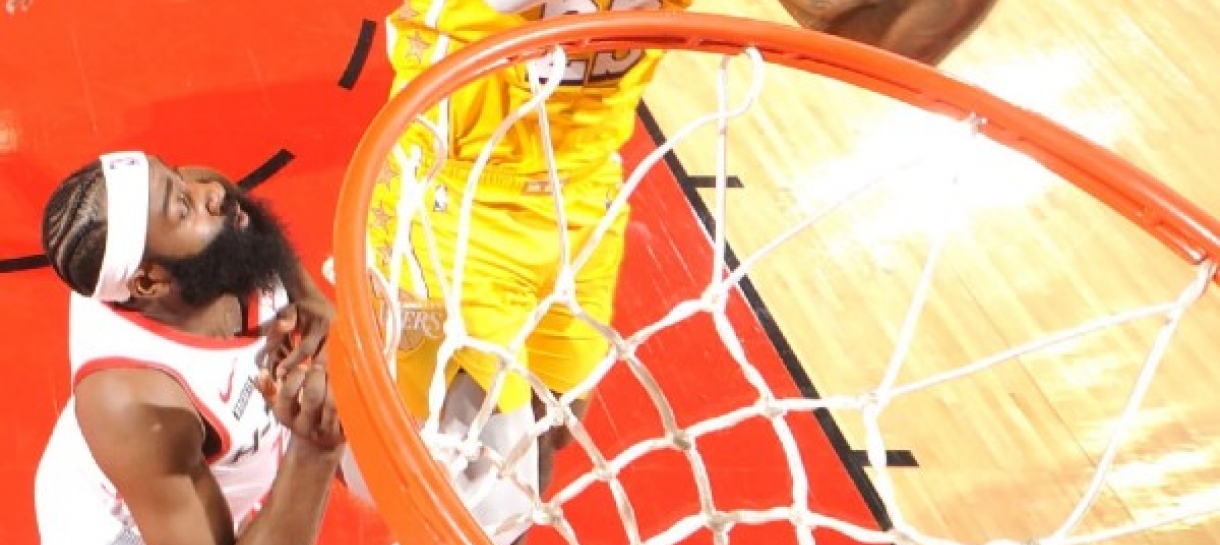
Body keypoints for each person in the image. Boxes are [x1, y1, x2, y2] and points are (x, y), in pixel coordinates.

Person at [353, 0, 1003, 542]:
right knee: (468, 485)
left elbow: (875, 41)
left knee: (548, 430)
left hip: (581, 191)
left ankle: (348, 422)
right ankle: (336, 434)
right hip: (452, 193)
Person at [35, 151, 343, 545]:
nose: (210, 191)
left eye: (178, 178)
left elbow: (217, 181)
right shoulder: (136, 404)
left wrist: (310, 298)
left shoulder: (186, 228)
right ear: (150, 282)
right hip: (123, 524)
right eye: (183, 206)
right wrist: (316, 450)